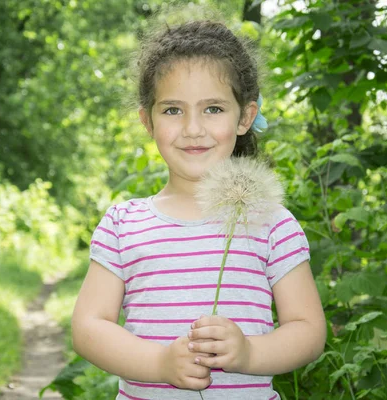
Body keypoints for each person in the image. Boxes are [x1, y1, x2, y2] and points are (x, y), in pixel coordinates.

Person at [71, 17, 326, 400]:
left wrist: (250, 351)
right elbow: (89, 327)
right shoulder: (124, 225)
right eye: (173, 110)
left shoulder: (272, 223)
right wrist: (159, 363)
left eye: (213, 109)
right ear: (147, 120)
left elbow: (307, 330)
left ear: (245, 117)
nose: (193, 128)